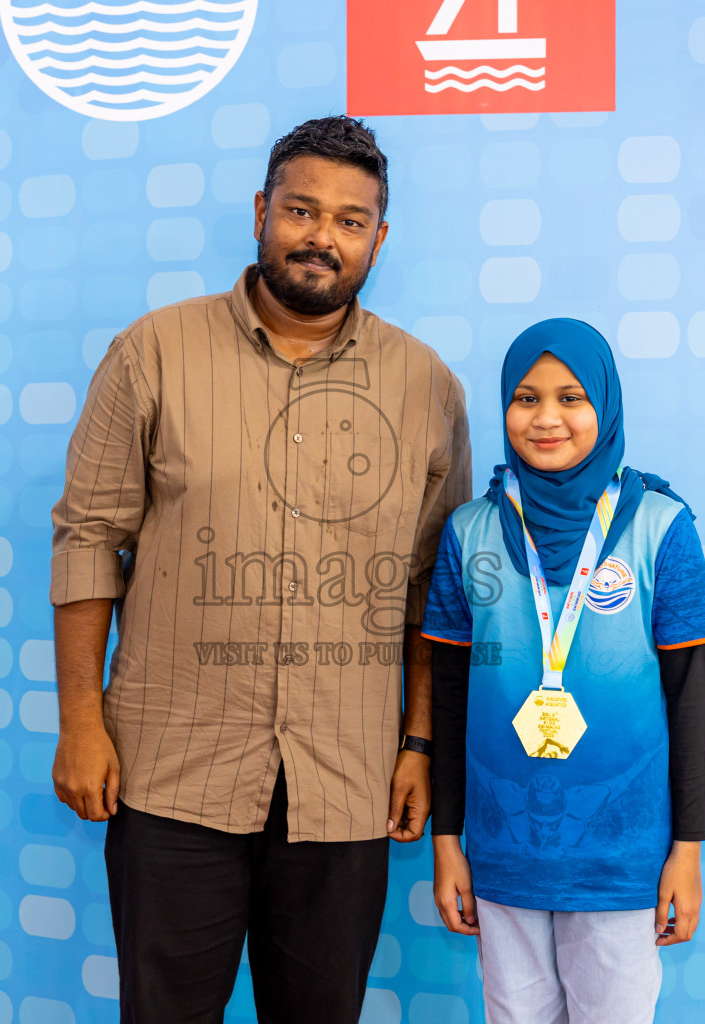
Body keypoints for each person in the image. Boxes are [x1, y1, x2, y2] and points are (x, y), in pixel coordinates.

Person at [49, 116, 472, 1023]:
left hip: (346, 778)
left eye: (351, 221)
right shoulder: (152, 352)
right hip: (171, 771)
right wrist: (81, 724)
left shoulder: (427, 386)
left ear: (379, 239)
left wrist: (420, 741)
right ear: (260, 213)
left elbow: (433, 590)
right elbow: (88, 538)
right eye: (302, 210)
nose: (323, 236)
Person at [422, 319, 705, 1023]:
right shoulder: (469, 532)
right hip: (502, 855)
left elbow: (689, 702)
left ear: (607, 407)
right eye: (525, 398)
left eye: (571, 398)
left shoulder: (660, 526)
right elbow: (449, 694)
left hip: (623, 863)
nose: (547, 418)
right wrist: (448, 843)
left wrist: (686, 852)